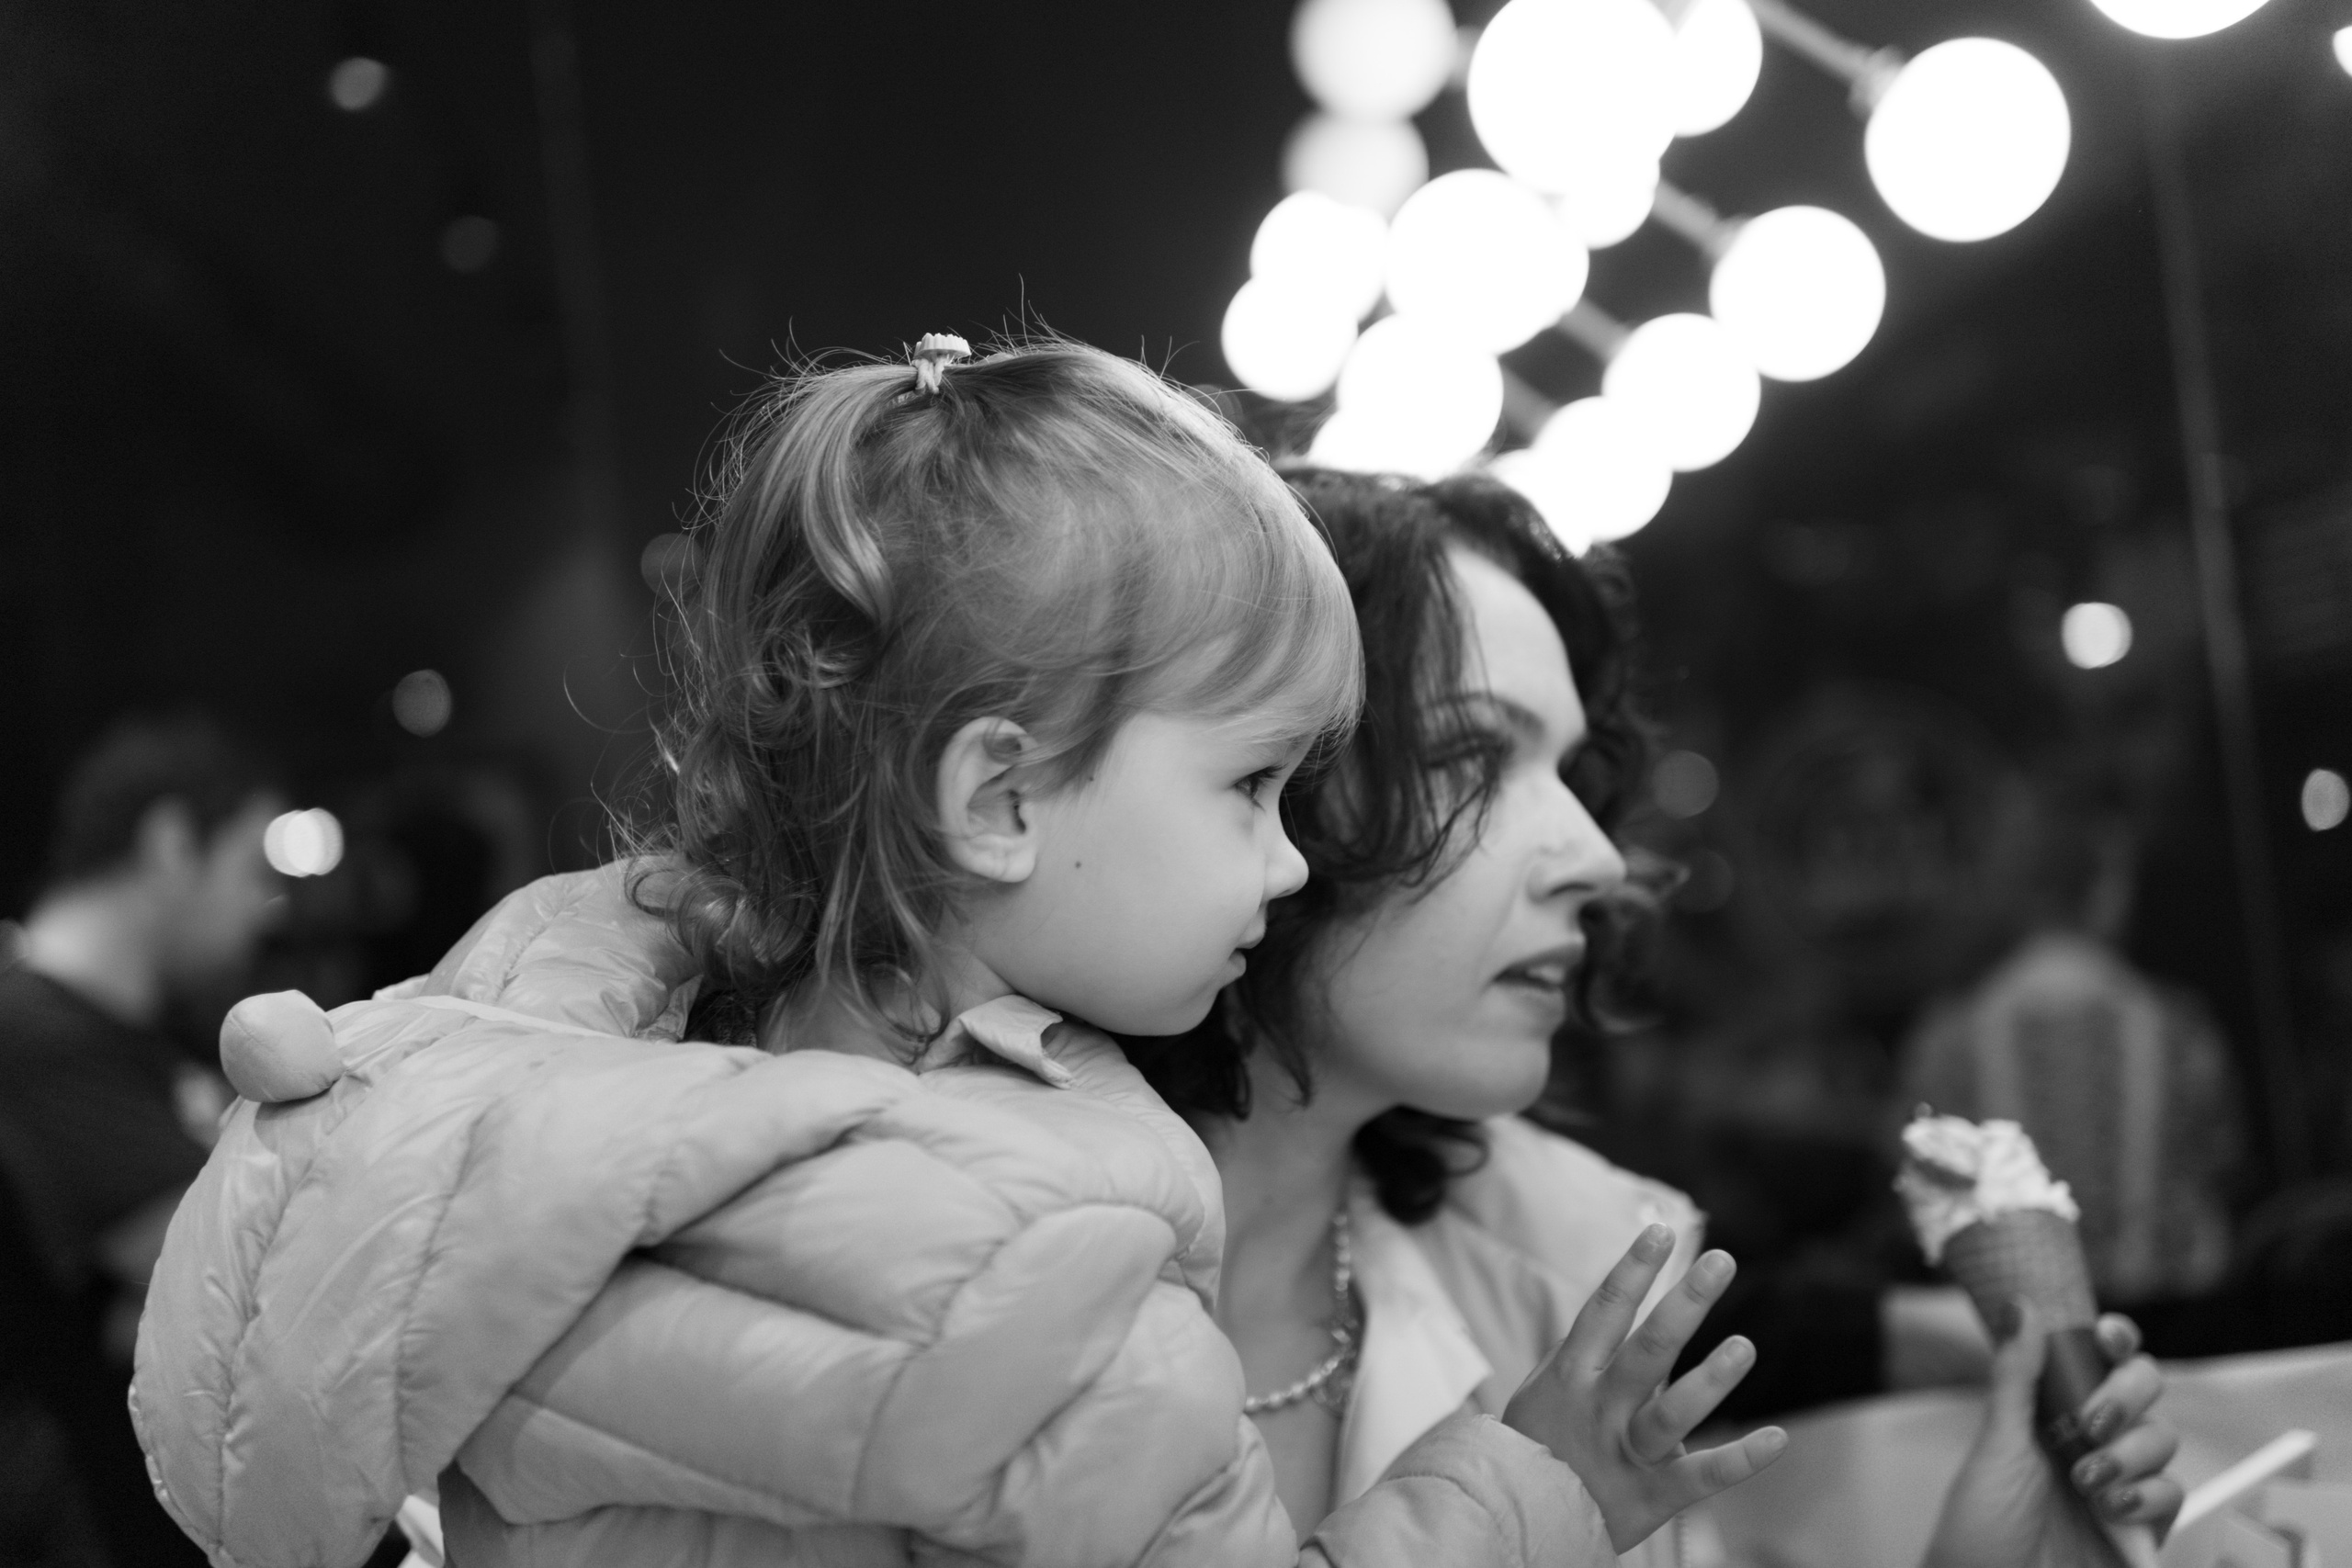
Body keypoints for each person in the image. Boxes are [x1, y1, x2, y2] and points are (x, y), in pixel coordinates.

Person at [137, 339, 1778, 1568]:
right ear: (995, 791)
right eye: (1261, 783)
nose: (1290, 852)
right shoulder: (1053, 1244)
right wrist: (1531, 1494)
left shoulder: (502, 1094)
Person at [1122, 469, 2178, 1562]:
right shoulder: (969, 1283)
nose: (1592, 857)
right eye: (1470, 759)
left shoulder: (1581, 1313)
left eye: (1572, 774)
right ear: (1259, 784)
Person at [2, 715, 281, 1567]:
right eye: (248, 867)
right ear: (170, 845)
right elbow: (234, 1264)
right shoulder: (30, 1035)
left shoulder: (145, 1035)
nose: (266, 905)